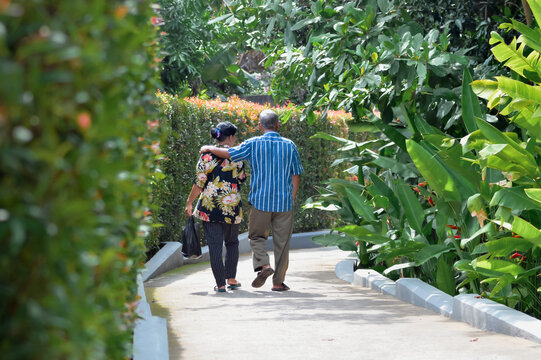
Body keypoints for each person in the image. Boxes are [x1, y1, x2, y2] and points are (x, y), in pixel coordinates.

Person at [200, 109, 303, 292]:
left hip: (260, 201)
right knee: (282, 243)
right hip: (284, 203)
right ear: (278, 125)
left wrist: (209, 148)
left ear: (260, 126)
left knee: (257, 237)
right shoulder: (290, 145)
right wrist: (292, 196)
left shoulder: (253, 143)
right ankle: (278, 283)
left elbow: (229, 153)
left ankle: (263, 266)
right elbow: (296, 174)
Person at [185, 122, 246, 293]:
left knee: (215, 246)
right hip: (232, 207)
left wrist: (189, 202)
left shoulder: (206, 156)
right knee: (232, 243)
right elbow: (241, 178)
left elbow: (199, 183)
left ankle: (220, 284)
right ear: (232, 137)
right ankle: (231, 278)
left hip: (210, 208)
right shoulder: (237, 156)